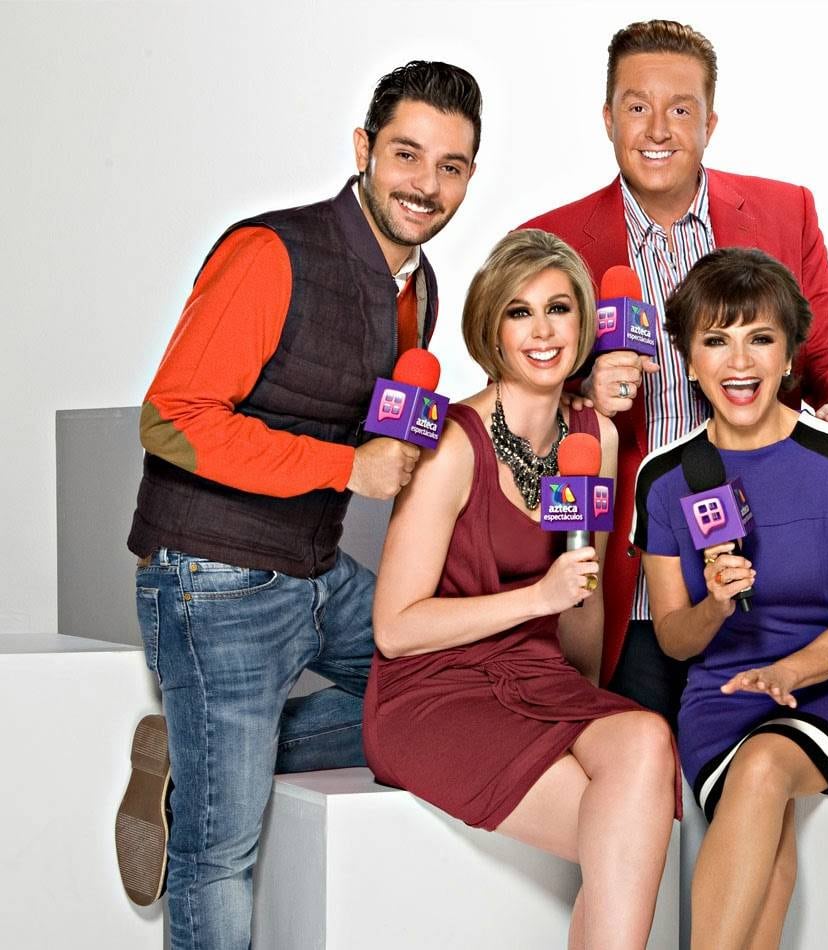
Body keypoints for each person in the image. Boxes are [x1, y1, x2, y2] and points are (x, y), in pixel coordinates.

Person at [117, 61, 481, 948]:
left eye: (450, 166)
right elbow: (170, 419)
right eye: (406, 155)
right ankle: (213, 768)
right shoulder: (271, 253)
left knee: (458, 684)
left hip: (313, 570)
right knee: (220, 855)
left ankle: (201, 760)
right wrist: (345, 467)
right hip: (214, 576)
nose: (425, 185)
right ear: (363, 149)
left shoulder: (419, 286)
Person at [519, 19, 828, 720]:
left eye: (680, 109)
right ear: (608, 118)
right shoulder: (550, 240)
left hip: (772, 566)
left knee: (764, 751)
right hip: (634, 575)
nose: (658, 129)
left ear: (709, 122)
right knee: (648, 764)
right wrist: (578, 390)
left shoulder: (785, 210)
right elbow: (517, 390)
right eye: (637, 106)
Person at [362, 230, 678, 949]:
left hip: (539, 679)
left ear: (583, 323)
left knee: (644, 737)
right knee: (627, 833)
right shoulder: (451, 444)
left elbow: (582, 600)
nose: (542, 331)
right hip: (435, 691)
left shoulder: (594, 437)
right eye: (519, 311)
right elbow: (396, 629)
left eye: (559, 309)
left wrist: (584, 700)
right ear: (492, 329)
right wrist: (538, 598)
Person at [633, 248, 828, 949]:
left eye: (761, 338)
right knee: (767, 848)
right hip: (721, 700)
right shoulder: (665, 477)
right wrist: (715, 605)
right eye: (716, 340)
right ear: (690, 360)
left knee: (764, 768)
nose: (739, 362)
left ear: (788, 356)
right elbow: (673, 639)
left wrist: (788, 672)